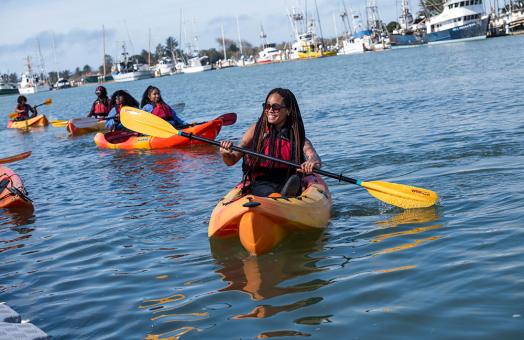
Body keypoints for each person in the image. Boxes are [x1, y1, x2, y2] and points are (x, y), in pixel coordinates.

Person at [219, 88, 321, 197]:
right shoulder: (255, 131)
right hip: (260, 182)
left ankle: (287, 194)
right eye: (267, 106)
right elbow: (231, 160)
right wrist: (225, 153)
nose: (270, 110)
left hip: (287, 180)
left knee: (291, 183)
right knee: (264, 189)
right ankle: (278, 197)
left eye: (276, 107)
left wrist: (311, 162)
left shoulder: (296, 135)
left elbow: (313, 156)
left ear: (288, 110)